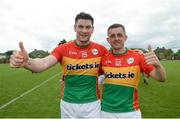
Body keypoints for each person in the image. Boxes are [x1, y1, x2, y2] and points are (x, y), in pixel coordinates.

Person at [9, 12, 108, 118]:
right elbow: (44, 63)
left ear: (92, 29)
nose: (84, 31)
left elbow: (112, 71)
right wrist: (27, 62)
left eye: (88, 27)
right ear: (75, 28)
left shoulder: (101, 50)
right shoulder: (63, 49)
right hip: (68, 105)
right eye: (80, 27)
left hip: (93, 105)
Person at [100, 23, 166, 118]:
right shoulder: (103, 58)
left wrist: (158, 66)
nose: (116, 38)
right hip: (106, 112)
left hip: (131, 112)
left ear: (125, 37)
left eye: (119, 35)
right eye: (112, 36)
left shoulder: (138, 56)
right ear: (108, 40)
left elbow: (162, 78)